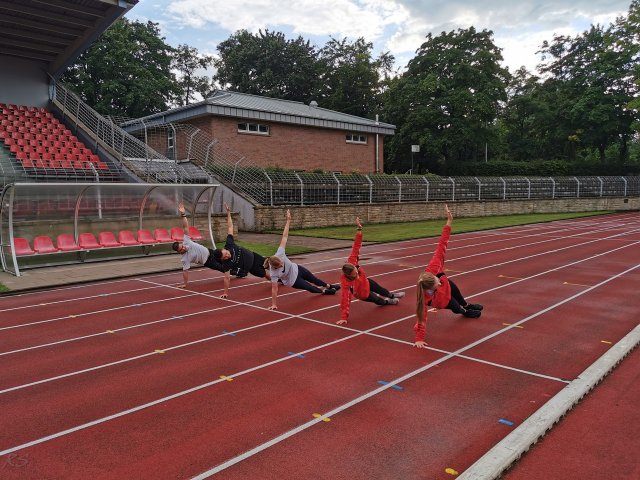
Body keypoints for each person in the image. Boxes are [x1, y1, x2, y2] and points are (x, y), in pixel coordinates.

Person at [414, 204, 483, 348]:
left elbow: (442, 244)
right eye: (436, 284)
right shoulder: (424, 297)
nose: (438, 283)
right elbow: (421, 318)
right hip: (441, 300)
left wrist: (449, 222)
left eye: (436, 280)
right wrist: (419, 339)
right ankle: (465, 311)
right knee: (455, 307)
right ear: (430, 288)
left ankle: (466, 304)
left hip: (446, 286)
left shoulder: (434, 266)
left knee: (455, 290)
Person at [264, 209, 340, 310]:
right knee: (309, 287)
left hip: (296, 268)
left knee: (314, 279)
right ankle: (324, 291)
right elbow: (274, 289)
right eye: (280, 266)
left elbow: (285, 236)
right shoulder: (273, 273)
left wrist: (288, 220)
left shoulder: (280, 253)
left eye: (281, 263)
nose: (282, 264)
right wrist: (274, 304)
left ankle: (329, 286)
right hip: (292, 280)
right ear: (274, 267)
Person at [336, 217, 404, 325]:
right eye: (354, 274)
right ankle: (387, 302)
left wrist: (359, 229)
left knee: (381, 289)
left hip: (366, 282)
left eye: (356, 270)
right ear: (349, 275)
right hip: (362, 293)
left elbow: (356, 246)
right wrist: (344, 317)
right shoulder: (345, 282)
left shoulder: (352, 261)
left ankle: (391, 295)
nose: (356, 273)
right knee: (377, 300)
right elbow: (345, 299)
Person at [210, 202, 271, 298]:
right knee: (266, 274)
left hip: (254, 256)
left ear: (224, 249)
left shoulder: (229, 244)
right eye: (225, 257)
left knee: (270, 264)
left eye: (226, 253)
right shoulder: (226, 264)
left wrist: (228, 212)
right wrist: (226, 292)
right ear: (222, 259)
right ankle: (278, 281)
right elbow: (226, 279)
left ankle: (284, 274)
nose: (227, 256)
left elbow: (230, 227)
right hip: (252, 267)